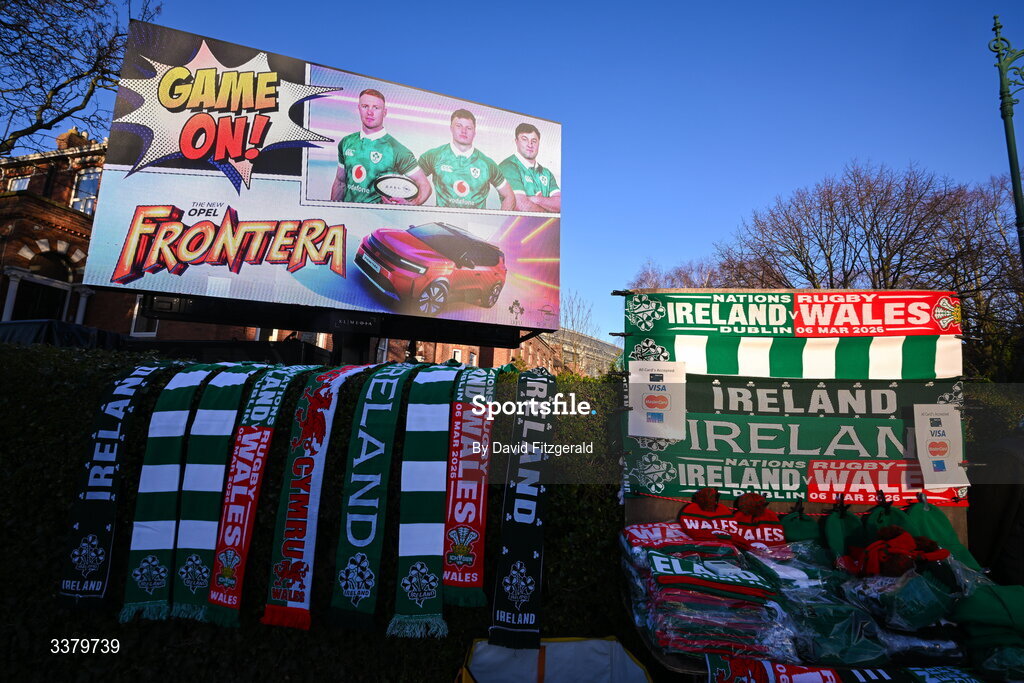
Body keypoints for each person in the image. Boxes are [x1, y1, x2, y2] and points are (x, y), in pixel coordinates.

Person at [330, 89, 431, 204]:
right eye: (365, 106)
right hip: (348, 215)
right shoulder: (346, 142)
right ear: (359, 108)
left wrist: (411, 204)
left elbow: (425, 185)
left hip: (378, 218)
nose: (370, 112)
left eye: (376, 108)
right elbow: (340, 182)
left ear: (384, 112)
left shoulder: (397, 150)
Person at [418, 109, 515, 210]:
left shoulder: (487, 164)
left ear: (474, 132)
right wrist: (414, 202)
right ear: (451, 128)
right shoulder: (433, 156)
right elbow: (413, 183)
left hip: (475, 223)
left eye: (468, 128)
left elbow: (509, 195)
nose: (463, 131)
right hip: (443, 220)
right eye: (459, 126)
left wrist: (499, 220)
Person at [499, 123, 561, 213]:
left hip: (548, 226)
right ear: (516, 141)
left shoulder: (546, 173)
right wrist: (550, 210)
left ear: (539, 143)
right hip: (516, 226)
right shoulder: (508, 166)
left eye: (534, 141)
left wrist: (537, 200)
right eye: (524, 139)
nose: (530, 144)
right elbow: (519, 205)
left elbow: (561, 204)